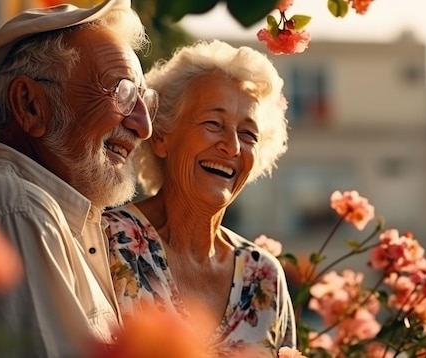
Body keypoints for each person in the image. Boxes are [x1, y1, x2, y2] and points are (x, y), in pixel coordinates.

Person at [0, 0, 157, 356]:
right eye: (121, 92)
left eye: (143, 98)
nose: (144, 126)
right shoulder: (16, 207)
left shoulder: (48, 211)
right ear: (30, 105)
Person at [103, 39, 295, 357]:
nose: (232, 147)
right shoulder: (108, 242)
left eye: (248, 134)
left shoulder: (264, 276)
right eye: (213, 124)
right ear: (162, 136)